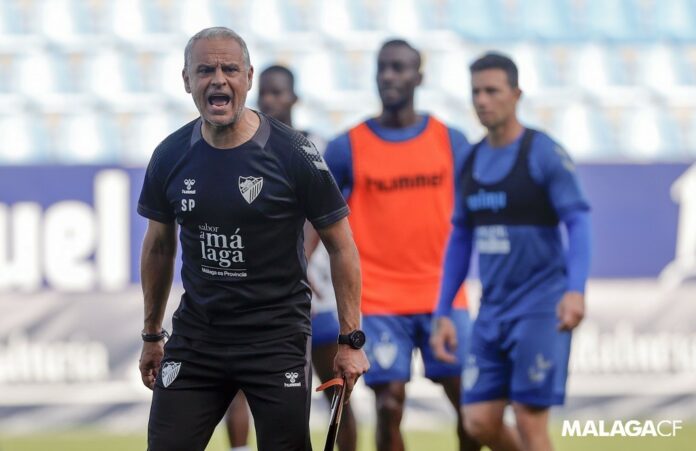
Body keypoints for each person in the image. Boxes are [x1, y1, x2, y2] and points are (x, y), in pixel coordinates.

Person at [137, 27, 369, 451]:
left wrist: (351, 340)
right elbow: (158, 247)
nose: (218, 79)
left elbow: (342, 246)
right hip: (198, 339)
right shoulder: (170, 155)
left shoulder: (294, 153)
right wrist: (152, 335)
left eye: (230, 69)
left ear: (248, 77)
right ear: (187, 80)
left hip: (275, 339)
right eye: (205, 69)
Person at [431, 52, 591, 451]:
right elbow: (461, 236)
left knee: (528, 418)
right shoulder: (470, 159)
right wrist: (443, 309)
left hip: (540, 307)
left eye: (492, 91)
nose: (482, 100)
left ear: (516, 94)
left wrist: (575, 290)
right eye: (476, 92)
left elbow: (578, 222)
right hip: (493, 310)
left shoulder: (543, 153)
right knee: (479, 421)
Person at [324, 39, 479, 451]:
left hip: (443, 296)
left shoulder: (452, 141)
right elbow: (319, 220)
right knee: (389, 404)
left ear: (419, 77)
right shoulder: (346, 147)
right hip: (378, 300)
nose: (389, 76)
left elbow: (477, 211)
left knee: (470, 406)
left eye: (399, 68)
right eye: (383, 68)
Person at [223, 64, 358, 451]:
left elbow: (324, 217)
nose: (269, 100)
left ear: (294, 98)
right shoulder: (239, 148)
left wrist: (295, 263)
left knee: (337, 390)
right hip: (258, 292)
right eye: (264, 93)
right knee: (242, 384)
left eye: (277, 93)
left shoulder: (315, 146)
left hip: (318, 290)